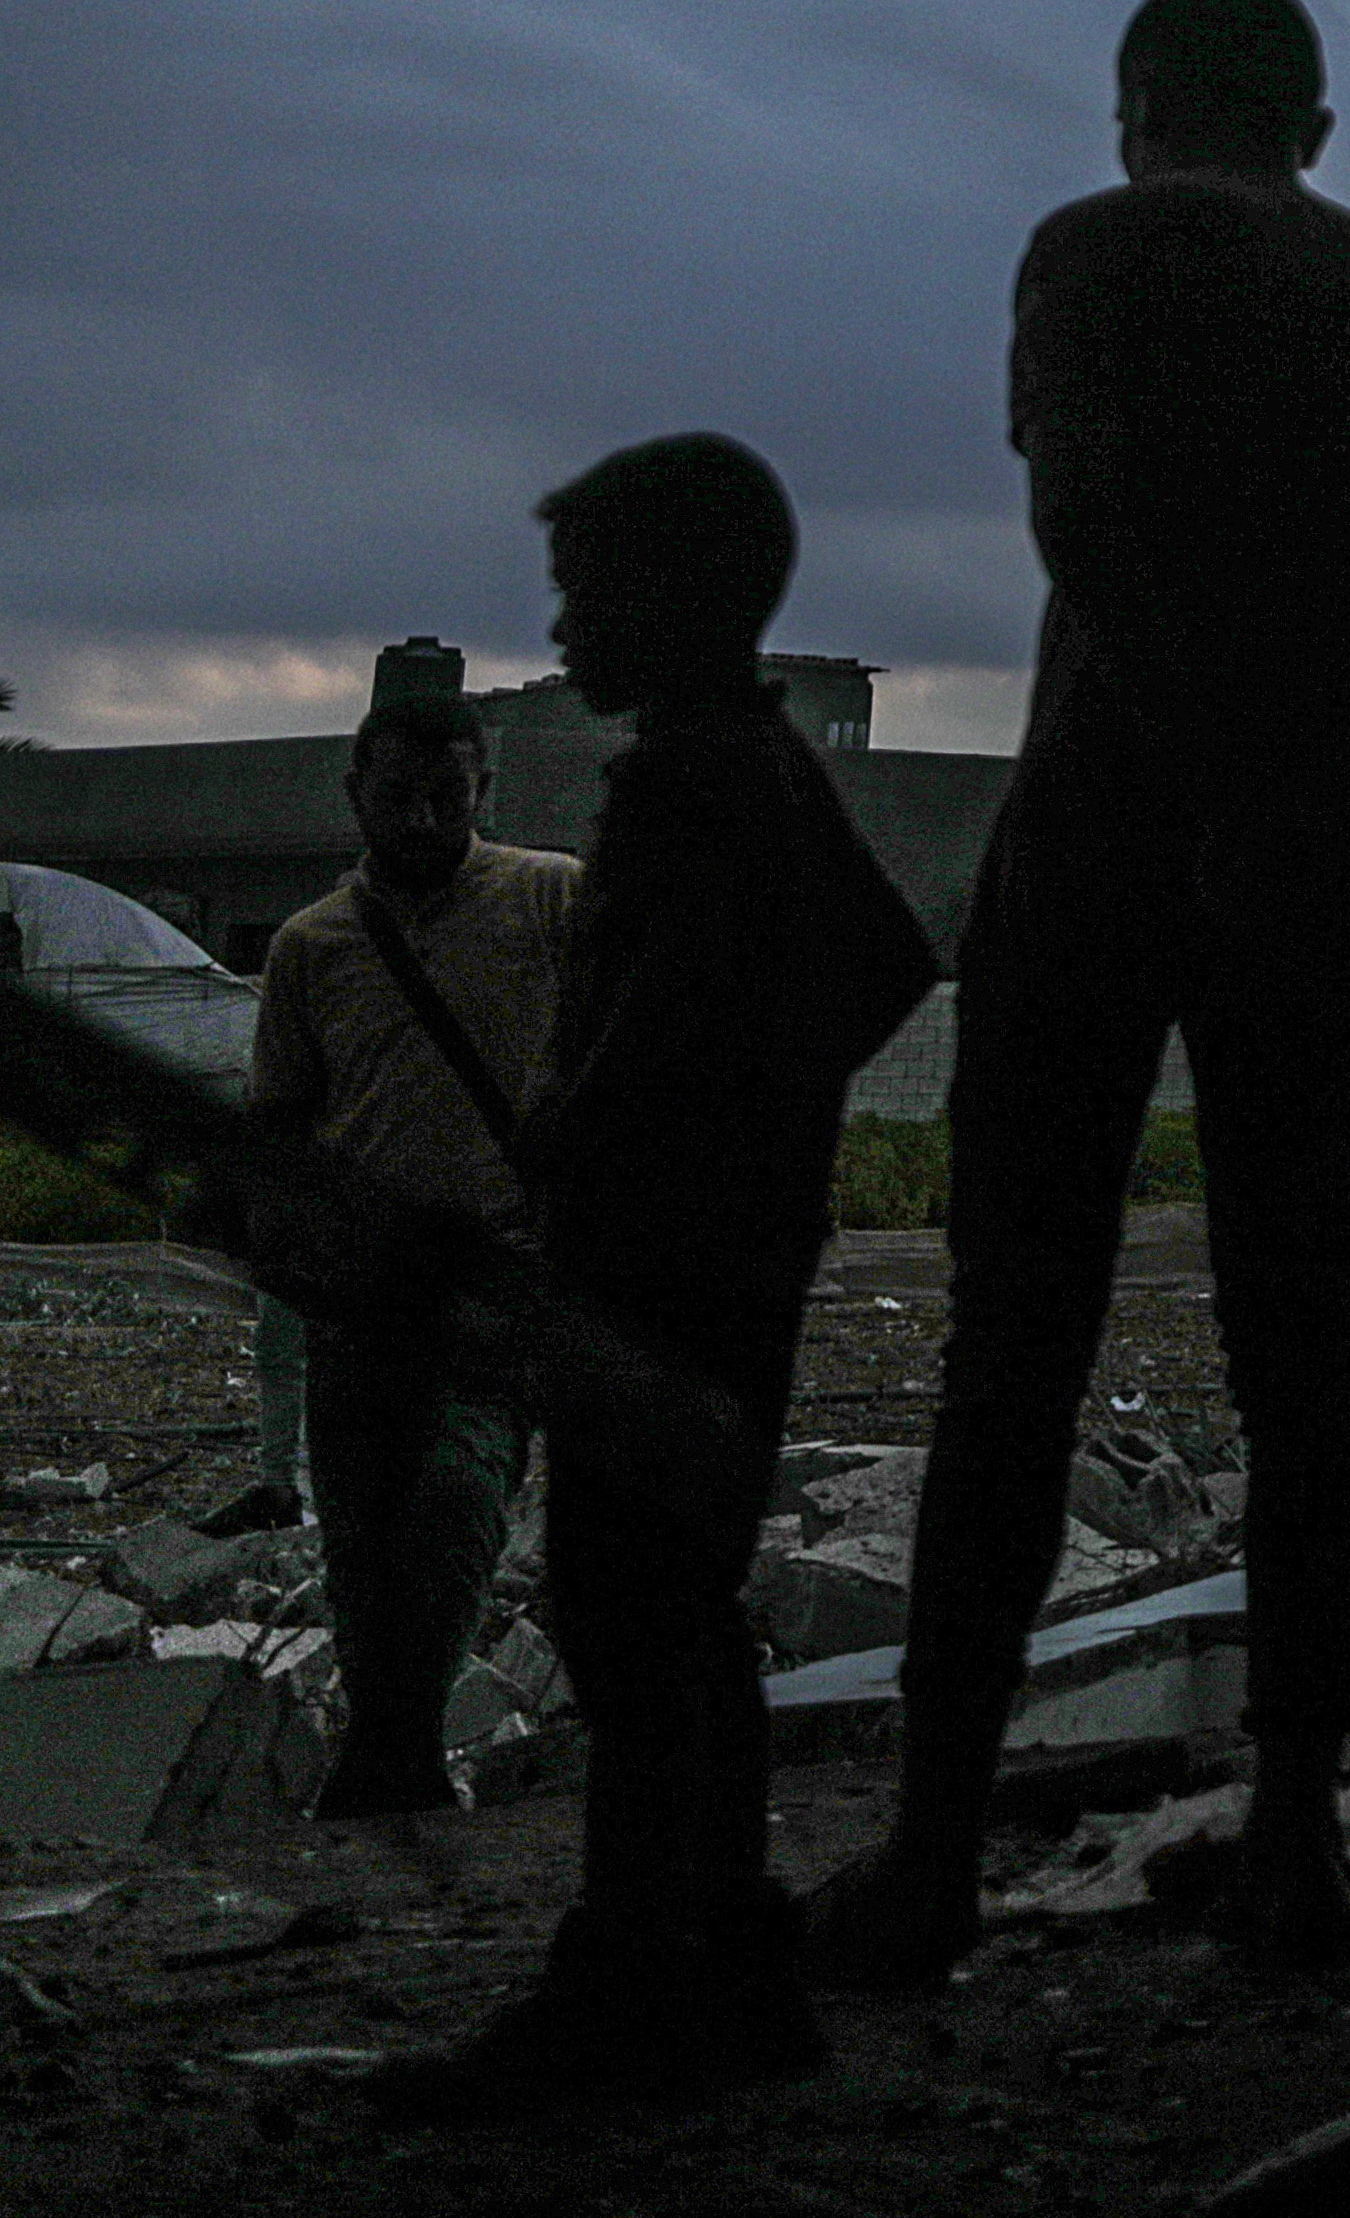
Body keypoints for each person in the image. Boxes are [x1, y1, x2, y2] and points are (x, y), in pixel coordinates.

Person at [810, 0, 1350, 1990]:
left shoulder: (1094, 253)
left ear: (1138, 105)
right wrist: (1313, 777)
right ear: (1312, 122)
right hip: (1303, 888)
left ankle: (934, 1854)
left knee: (1010, 1355)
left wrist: (1199, 766)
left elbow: (1080, 511)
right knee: (1305, 1338)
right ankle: (1297, 1837)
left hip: (1097, 858)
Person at [379, 437, 937, 2120]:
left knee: (627, 1619)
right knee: (686, 1616)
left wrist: (592, 1150)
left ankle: (627, 1989)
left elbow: (665, 1031)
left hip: (660, 1275)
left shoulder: (692, 781)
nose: (561, 618)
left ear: (672, 598)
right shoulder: (760, 761)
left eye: (583, 587)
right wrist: (769, 1145)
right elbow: (887, 962)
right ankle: (739, 1964)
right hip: (729, 1265)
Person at [236, 656, 573, 1816]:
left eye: (451, 796)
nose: (426, 818)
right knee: (365, 1545)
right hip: (360, 1295)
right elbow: (279, 1128)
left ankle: (395, 1751)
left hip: (493, 1279)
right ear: (355, 795)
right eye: (402, 798)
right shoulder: (309, 948)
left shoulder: (552, 902)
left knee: (455, 1496)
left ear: (486, 788)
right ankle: (396, 1764)